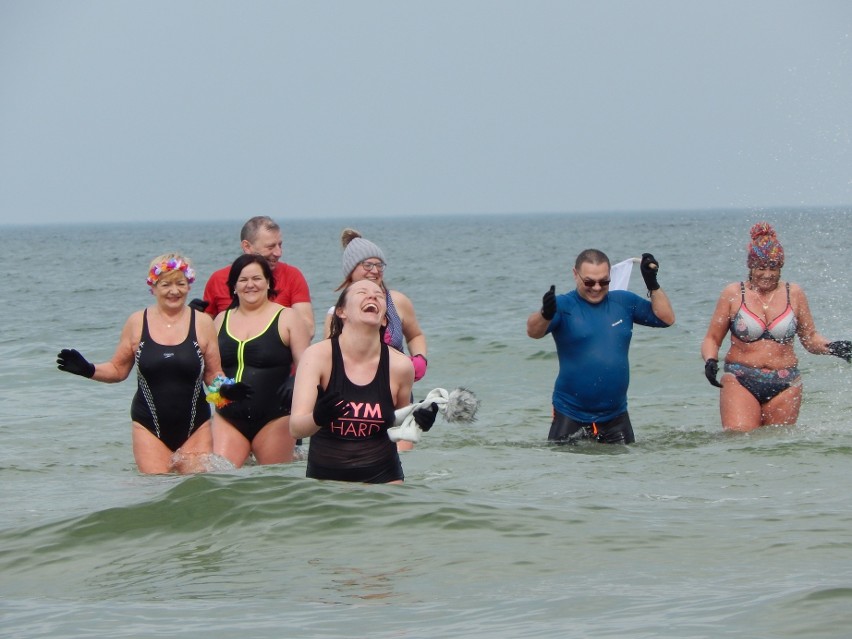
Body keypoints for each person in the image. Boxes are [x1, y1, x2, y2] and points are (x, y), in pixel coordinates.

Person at [56, 253, 251, 474]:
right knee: (156, 491)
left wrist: (226, 389)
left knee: (197, 491)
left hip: (196, 427)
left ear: (189, 285)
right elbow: (118, 370)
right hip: (148, 427)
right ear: (153, 287)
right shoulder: (137, 322)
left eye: (180, 283)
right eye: (166, 284)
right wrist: (88, 369)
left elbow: (213, 375)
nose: (174, 291)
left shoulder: (203, 323)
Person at [700, 222, 851, 431]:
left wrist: (834, 348)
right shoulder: (734, 293)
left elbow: (810, 339)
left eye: (774, 267)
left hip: (786, 383)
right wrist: (710, 361)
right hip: (741, 378)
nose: (767, 274)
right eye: (761, 267)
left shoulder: (794, 293)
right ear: (750, 267)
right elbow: (712, 339)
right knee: (740, 439)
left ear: (781, 267)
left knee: (778, 447)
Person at [291, 280, 438, 483]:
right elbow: (296, 428)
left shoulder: (401, 366)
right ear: (341, 312)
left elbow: (399, 427)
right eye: (362, 292)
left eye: (378, 295)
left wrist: (419, 420)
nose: (372, 296)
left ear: (385, 320)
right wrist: (318, 417)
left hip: (385, 479)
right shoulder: (317, 356)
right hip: (327, 484)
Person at [526, 249, 675, 444]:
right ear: (575, 274)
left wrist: (652, 283)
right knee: (563, 471)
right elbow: (533, 332)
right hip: (570, 411)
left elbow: (666, 319)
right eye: (589, 282)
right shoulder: (563, 305)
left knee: (623, 469)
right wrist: (545, 313)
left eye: (604, 281)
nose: (596, 287)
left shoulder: (624, 301)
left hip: (615, 414)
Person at [324, 229, 428, 451]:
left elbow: (416, 334)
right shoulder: (339, 313)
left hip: (397, 392)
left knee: (401, 459)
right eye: (367, 265)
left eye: (379, 265)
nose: (375, 270)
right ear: (351, 270)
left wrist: (420, 358)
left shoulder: (398, 302)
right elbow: (329, 360)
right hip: (358, 401)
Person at [212, 254, 312, 467]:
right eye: (243, 280)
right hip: (228, 417)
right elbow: (211, 371)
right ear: (233, 286)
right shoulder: (220, 320)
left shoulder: (288, 317)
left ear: (268, 282)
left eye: (257, 278)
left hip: (275, 418)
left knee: (272, 483)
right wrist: (222, 389)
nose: (250, 285)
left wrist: (295, 381)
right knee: (220, 478)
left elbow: (309, 365)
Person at [195, 215, 314, 338]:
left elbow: (308, 329)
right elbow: (204, 333)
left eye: (280, 245)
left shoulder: (292, 276)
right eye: (270, 247)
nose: (278, 253)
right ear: (247, 247)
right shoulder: (218, 279)